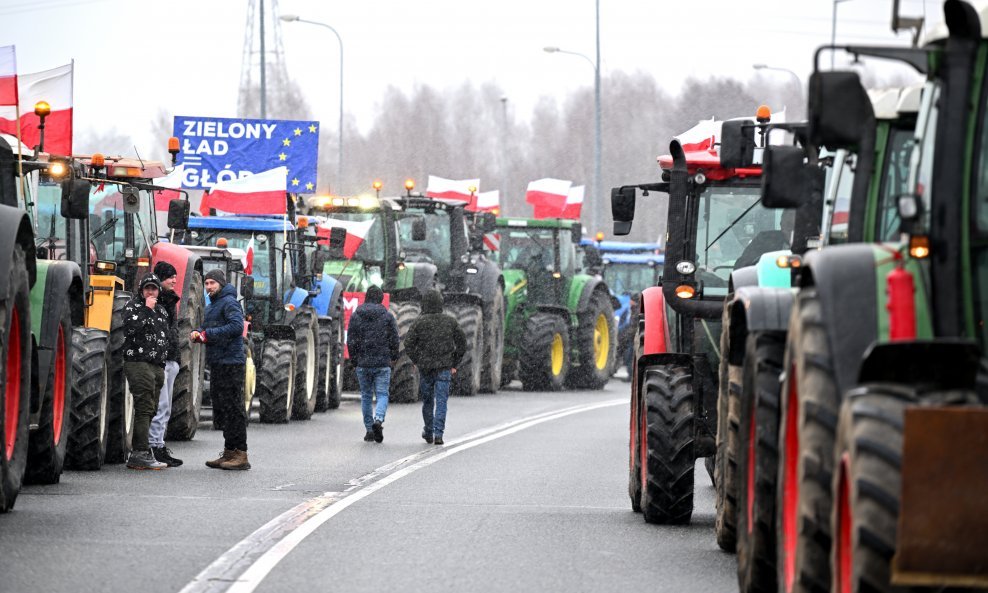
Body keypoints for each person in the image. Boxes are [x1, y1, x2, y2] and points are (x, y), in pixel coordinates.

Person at [193, 269, 249, 470]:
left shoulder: (229, 303)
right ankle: (228, 452)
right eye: (206, 283)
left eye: (212, 283)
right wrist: (198, 332)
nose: (209, 287)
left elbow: (236, 327)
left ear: (221, 284)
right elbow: (208, 327)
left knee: (234, 409)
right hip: (218, 362)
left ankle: (241, 454)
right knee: (223, 409)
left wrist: (208, 335)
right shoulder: (213, 305)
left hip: (231, 363)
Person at [403, 289, 466, 446]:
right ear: (441, 304)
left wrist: (417, 360)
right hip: (445, 367)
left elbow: (408, 343)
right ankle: (439, 434)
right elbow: (462, 343)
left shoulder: (419, 322)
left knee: (428, 401)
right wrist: (454, 363)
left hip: (426, 368)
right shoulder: (450, 322)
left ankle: (429, 430)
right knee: (442, 401)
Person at [123, 274, 171, 470]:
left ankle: (143, 450)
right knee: (144, 406)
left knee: (151, 408)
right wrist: (147, 310)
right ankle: (139, 452)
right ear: (141, 291)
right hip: (138, 361)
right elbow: (130, 328)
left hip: (156, 364)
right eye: (147, 288)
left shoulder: (162, 310)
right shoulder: (133, 307)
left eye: (154, 288)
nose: (150, 292)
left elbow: (166, 334)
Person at [347, 285, 399, 443]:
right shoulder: (388, 316)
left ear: (366, 297)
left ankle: (369, 430)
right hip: (382, 362)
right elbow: (394, 339)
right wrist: (393, 357)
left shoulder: (356, 315)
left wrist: (355, 360)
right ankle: (378, 419)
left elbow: (351, 340)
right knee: (382, 394)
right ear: (381, 298)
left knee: (366, 396)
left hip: (363, 363)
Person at [147, 262, 182, 467]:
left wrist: (175, 358)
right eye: (170, 277)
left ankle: (159, 444)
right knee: (160, 406)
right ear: (160, 279)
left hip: (170, 359)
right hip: (161, 360)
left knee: (165, 407)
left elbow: (172, 332)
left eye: (175, 277)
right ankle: (154, 447)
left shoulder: (170, 301)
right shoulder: (154, 302)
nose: (174, 280)